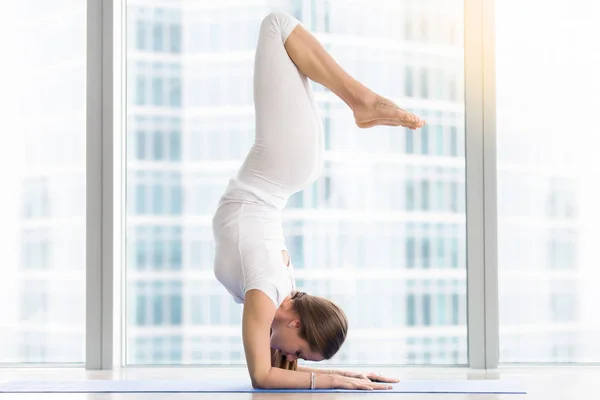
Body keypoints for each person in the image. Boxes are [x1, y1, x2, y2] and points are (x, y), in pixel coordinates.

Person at [212, 11, 425, 391]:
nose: (291, 359)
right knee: (276, 25)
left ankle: (362, 102)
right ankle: (363, 101)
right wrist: (334, 383)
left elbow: (272, 374)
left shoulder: (275, 293)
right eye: (301, 354)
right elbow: (263, 376)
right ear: (295, 324)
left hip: (285, 169)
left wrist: (350, 375)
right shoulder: (265, 293)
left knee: (279, 31)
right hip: (281, 166)